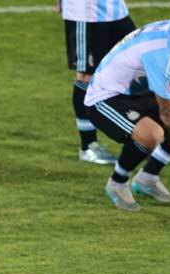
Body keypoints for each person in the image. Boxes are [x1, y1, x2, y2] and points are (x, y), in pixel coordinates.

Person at [84, 0, 170, 211]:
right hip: (106, 97)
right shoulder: (163, 50)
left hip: (138, 92)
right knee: (152, 134)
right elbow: (168, 116)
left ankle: (147, 178)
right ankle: (118, 182)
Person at [58, 0, 136, 164]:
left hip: (116, 9)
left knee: (135, 65)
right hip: (86, 12)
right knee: (87, 76)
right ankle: (88, 146)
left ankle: (140, 134)